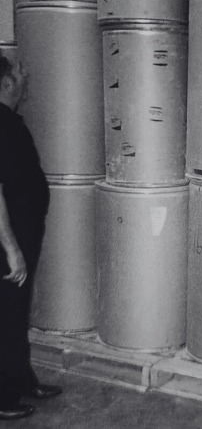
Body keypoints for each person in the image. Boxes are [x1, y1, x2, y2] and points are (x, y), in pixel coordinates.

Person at [0, 55, 62, 421]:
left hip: (22, 233)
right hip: (8, 239)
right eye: (20, 71)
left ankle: (22, 379)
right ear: (7, 82)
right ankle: (4, 397)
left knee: (16, 312)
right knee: (6, 315)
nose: (26, 75)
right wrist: (11, 249)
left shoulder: (10, 121)